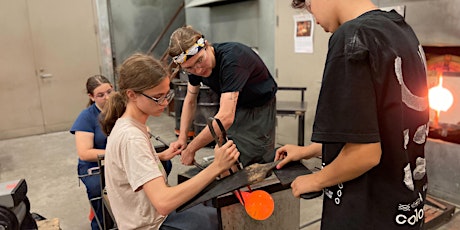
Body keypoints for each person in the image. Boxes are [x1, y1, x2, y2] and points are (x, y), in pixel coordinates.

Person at [275, 1, 429, 229]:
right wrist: (308, 151)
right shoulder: (400, 29)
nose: (314, 18)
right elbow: (379, 131)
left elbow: (365, 153)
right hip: (406, 209)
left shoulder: (352, 37)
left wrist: (315, 180)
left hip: (367, 215)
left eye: (308, 6)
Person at [99, 53, 240, 229]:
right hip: (151, 225)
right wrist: (217, 166)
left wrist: (157, 157)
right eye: (158, 97)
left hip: (153, 216)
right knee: (226, 221)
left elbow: (132, 165)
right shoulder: (131, 137)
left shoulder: (130, 125)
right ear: (132, 95)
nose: (165, 103)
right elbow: (163, 202)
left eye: (167, 95)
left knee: (213, 209)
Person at [168, 26, 278, 167]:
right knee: (229, 154)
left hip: (258, 107)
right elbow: (190, 100)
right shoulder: (192, 66)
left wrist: (191, 149)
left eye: (200, 60)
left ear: (206, 45)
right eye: (189, 68)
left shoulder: (233, 59)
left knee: (255, 160)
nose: (198, 70)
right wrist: (182, 138)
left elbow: (225, 118)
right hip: (233, 103)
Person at [70, 75, 114, 230]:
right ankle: (101, 224)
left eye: (109, 92)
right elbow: (85, 153)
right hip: (94, 165)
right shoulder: (86, 117)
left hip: (117, 161)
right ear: (91, 96)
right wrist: (116, 153)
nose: (107, 98)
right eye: (101, 95)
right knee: (98, 188)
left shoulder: (121, 109)